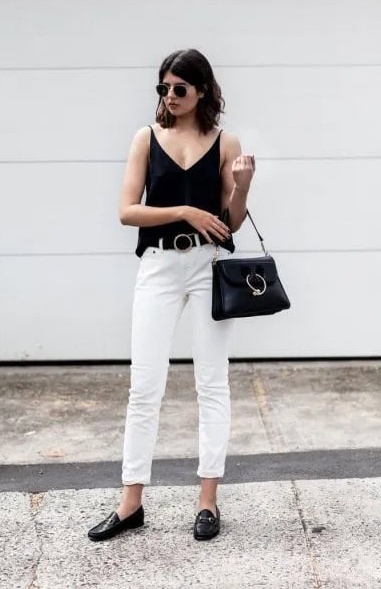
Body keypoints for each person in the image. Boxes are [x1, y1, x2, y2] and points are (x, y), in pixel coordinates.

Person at [88, 48, 255, 542]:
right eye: (163, 88)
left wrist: (242, 188)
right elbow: (126, 211)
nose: (170, 96)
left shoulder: (226, 142)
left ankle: (207, 502)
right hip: (158, 267)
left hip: (207, 266)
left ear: (202, 90)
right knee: (145, 386)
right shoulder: (146, 137)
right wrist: (183, 209)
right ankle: (130, 503)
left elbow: (231, 223)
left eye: (179, 88)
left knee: (212, 384)